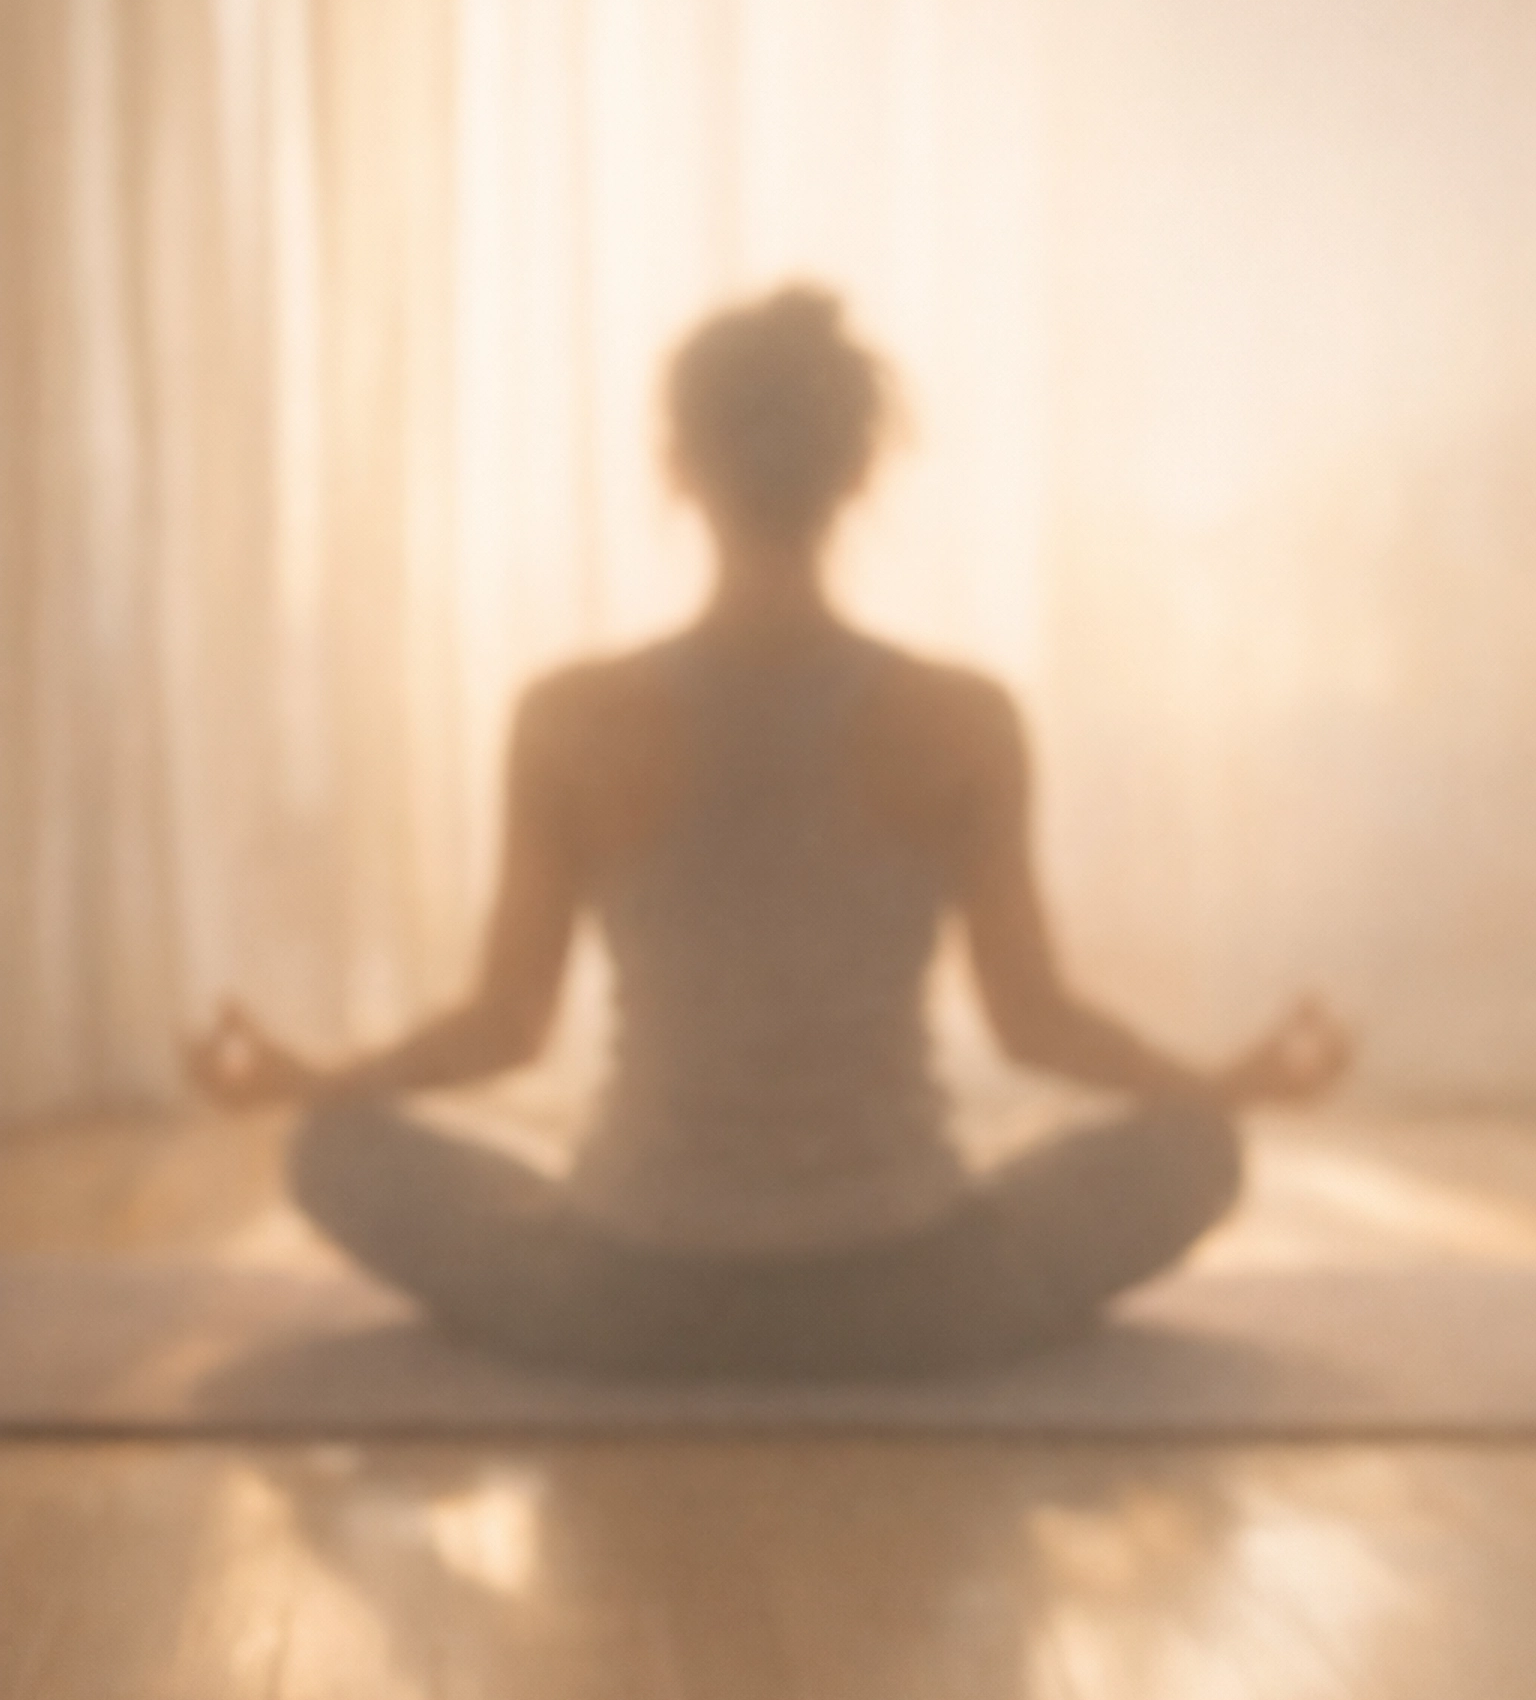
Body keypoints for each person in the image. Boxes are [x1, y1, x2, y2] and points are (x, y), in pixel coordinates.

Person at [186, 285, 1351, 1378]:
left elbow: (508, 1025)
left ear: (679, 466)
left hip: (629, 1299)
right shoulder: (963, 718)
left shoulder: (570, 716)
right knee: (1198, 1149)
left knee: (332, 1150)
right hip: (917, 1298)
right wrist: (1220, 1085)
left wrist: (320, 1082)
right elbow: (1033, 1020)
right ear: (858, 470)